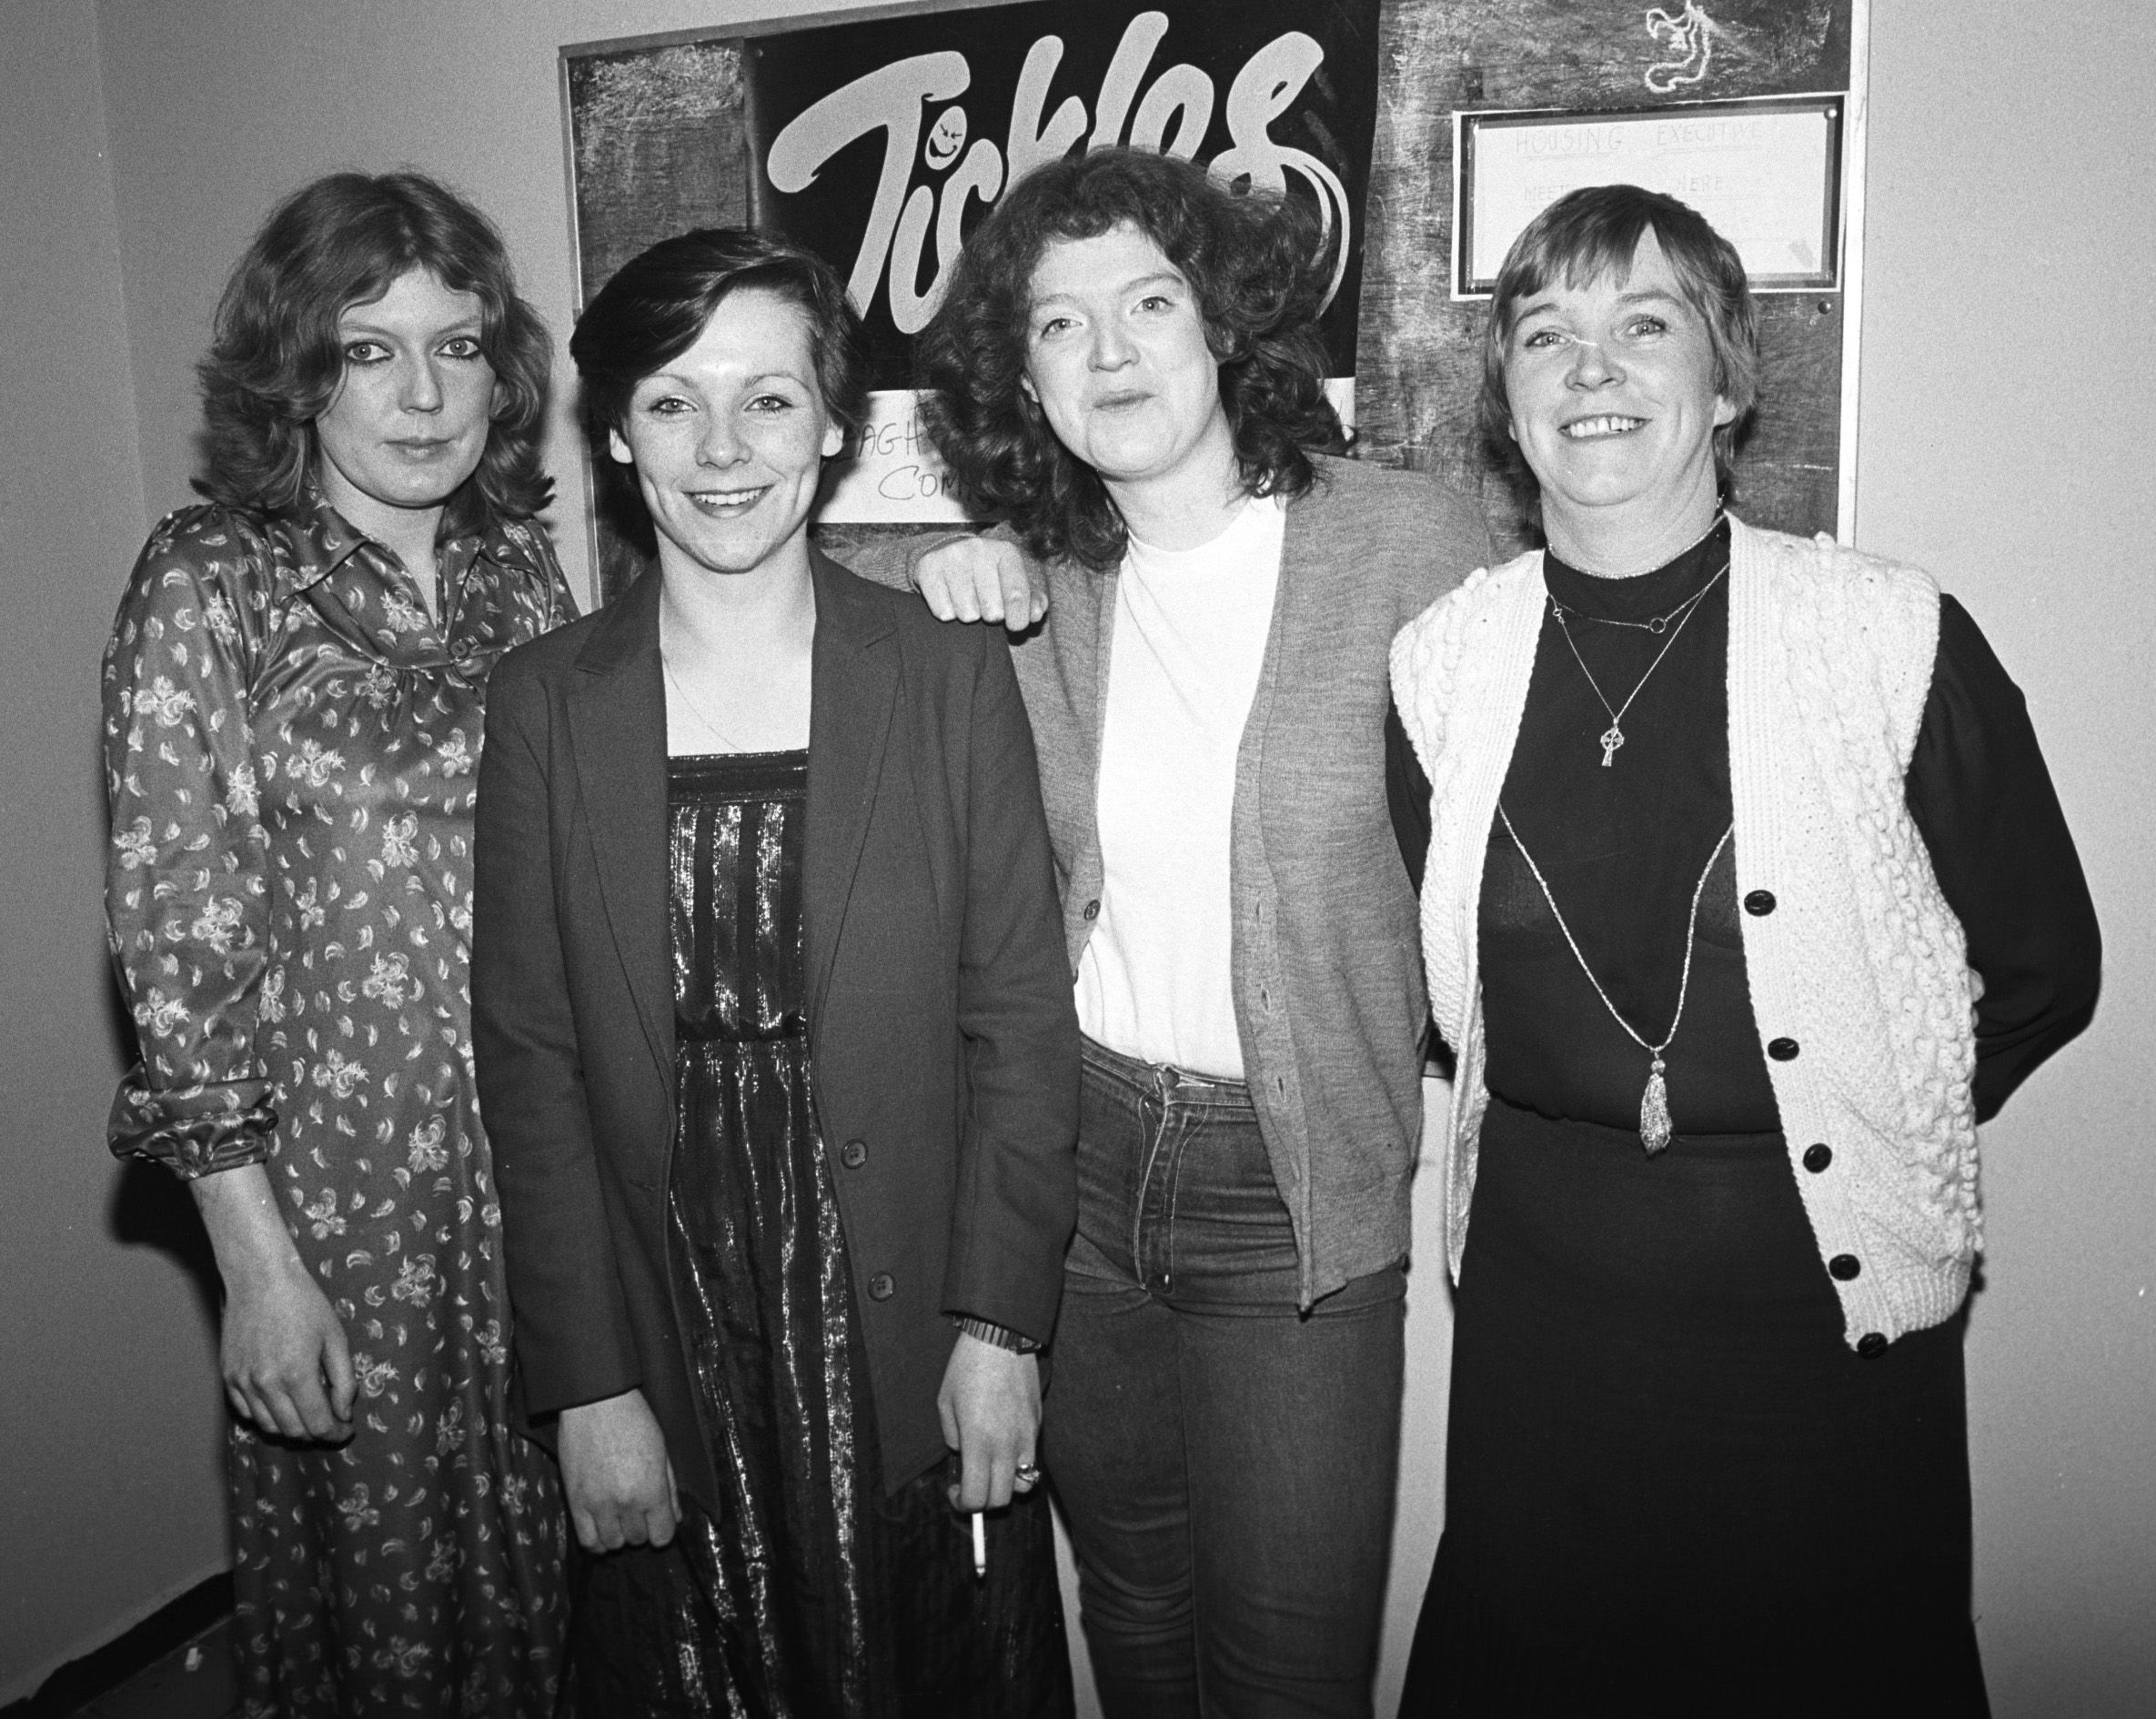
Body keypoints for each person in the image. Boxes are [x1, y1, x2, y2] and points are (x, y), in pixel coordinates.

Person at [1386, 184, 2101, 1715]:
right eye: (1545, 334)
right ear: (1504, 404)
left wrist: (1862, 1095)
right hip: (1540, 1337)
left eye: (1643, 326)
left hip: (1813, 1338)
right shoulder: (1440, 664)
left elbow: (2043, 961)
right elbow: (1451, 991)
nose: (1591, 370)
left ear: (1724, 382)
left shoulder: (1885, 633)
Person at [904, 146, 1495, 1717]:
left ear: (1222, 322)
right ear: (1020, 384)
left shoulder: (1409, 544)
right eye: (1056, 327)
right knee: (1137, 1621)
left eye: (1147, 302)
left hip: (1290, 1190)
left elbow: (1524, 844)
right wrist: (938, 581)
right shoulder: (1029, 591)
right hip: (1079, 1173)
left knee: (1289, 1668)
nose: (1109, 355)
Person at [470, 227, 1080, 1716]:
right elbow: (530, 1069)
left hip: (897, 1306)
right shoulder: (544, 704)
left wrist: (999, 1331)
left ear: (832, 425)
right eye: (674, 402)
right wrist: (587, 1384)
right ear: (615, 435)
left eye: (768, 399)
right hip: (663, 1314)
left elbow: (1017, 1025)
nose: (724, 448)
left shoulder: (943, 675)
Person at [101, 171, 574, 1714]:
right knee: (396, 1620)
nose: (427, 393)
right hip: (344, 1207)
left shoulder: (519, 569)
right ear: (299, 371)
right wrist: (258, 1265)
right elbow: (178, 949)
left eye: (458, 346)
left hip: (546, 1170)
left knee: (574, 1579)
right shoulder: (214, 579)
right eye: (373, 351)